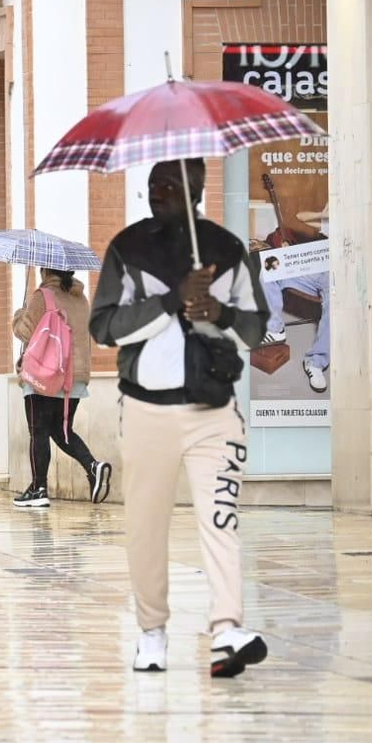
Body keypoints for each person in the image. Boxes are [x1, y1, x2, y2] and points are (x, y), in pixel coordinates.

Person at [90, 158, 272, 679]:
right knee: (145, 527)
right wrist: (173, 299)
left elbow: (256, 329)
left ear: (196, 189)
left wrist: (218, 313)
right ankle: (152, 632)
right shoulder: (128, 248)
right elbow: (104, 328)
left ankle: (227, 629)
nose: (157, 192)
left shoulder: (227, 249)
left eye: (169, 185)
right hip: (146, 409)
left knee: (221, 520)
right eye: (153, 185)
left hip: (214, 412)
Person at [11, 267, 111, 508]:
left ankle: (39, 489)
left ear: (46, 270)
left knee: (38, 432)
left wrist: (19, 315)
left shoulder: (42, 296)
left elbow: (25, 332)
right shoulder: (81, 299)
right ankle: (93, 467)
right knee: (61, 430)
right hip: (74, 378)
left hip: (43, 376)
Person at [258, 206, 330, 393]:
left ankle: (315, 363)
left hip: (336, 270)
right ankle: (275, 329)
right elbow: (301, 216)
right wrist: (325, 214)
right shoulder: (332, 219)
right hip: (315, 263)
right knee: (268, 270)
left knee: (334, 306)